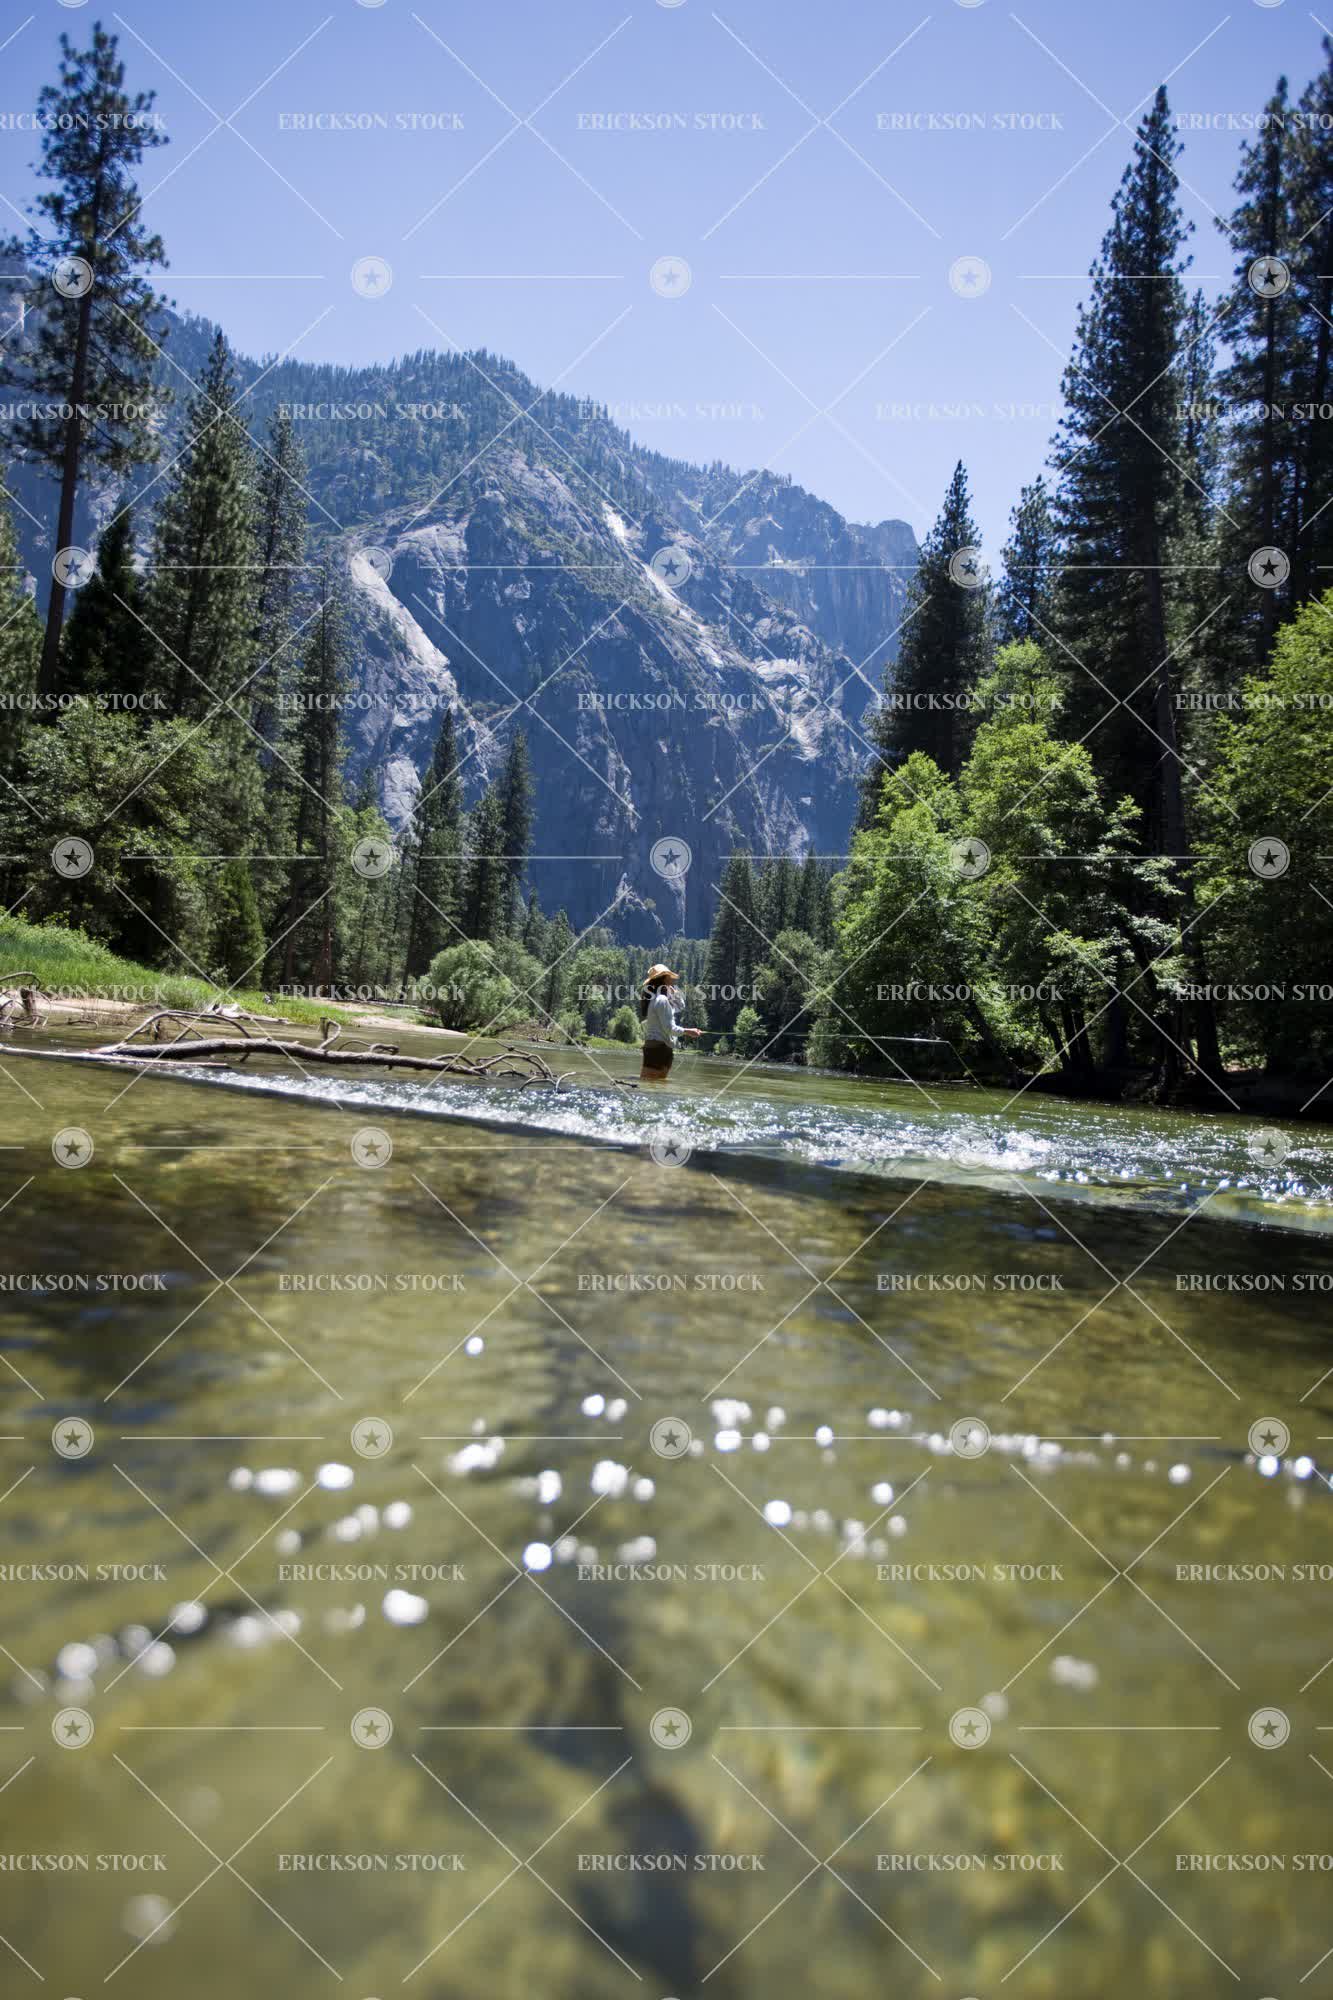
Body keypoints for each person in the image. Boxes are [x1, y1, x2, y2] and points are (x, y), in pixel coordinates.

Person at [638, 963, 700, 1083]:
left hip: (659, 1048)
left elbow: (680, 1006)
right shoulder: (662, 1000)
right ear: (665, 978)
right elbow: (669, 1028)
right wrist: (688, 1031)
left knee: (651, 1085)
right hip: (659, 1048)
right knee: (653, 1085)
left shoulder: (658, 999)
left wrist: (674, 993)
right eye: (669, 976)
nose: (672, 979)